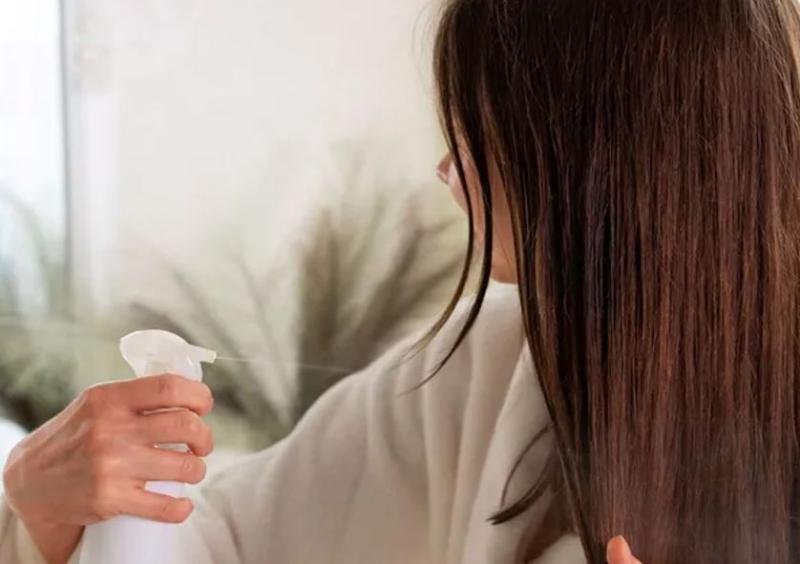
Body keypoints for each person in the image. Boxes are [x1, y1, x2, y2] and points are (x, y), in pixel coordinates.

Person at [3, 0, 800, 561]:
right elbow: (230, 539)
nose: (447, 169)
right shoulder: (481, 366)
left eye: (482, 132)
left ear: (601, 165)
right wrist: (45, 507)